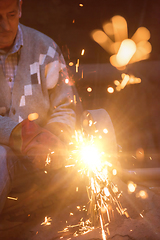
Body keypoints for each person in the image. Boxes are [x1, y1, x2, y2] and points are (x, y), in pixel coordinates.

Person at [0, 0, 76, 215]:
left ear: (20, 8)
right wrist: (21, 134)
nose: (5, 26)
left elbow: (66, 106)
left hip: (41, 158)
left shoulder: (45, 48)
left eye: (11, 15)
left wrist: (51, 138)